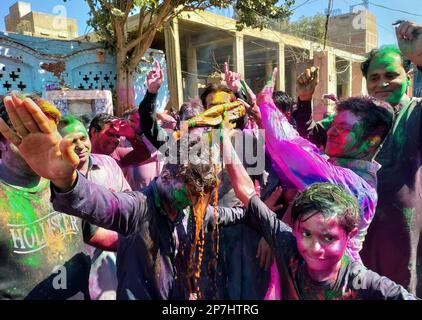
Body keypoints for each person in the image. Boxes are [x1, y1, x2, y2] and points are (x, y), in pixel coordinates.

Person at [0, 94, 245, 300]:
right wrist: (65, 180)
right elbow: (96, 200)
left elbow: (223, 214)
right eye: (191, 192)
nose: (196, 201)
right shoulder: (137, 208)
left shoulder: (189, 211)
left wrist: (254, 207)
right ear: (169, 178)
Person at [294, 20, 422, 296]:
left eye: (391, 75)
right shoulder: (356, 116)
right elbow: (311, 139)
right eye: (374, 77)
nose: (383, 83)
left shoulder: (416, 113)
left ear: (409, 77)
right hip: (351, 235)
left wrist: (420, 56)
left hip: (399, 234)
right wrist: (304, 101)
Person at [221, 140, 418, 299]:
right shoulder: (288, 245)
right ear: (295, 228)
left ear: (350, 235)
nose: (315, 248)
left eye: (328, 238)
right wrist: (222, 135)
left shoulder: (364, 284)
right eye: (306, 234)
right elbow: (246, 192)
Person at [0, 95, 90, 300]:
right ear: (2, 143)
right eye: (30, 134)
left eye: (49, 132)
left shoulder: (65, 179)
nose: (45, 144)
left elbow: (94, 233)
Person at [57, 115, 131, 300]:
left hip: (111, 264)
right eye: (72, 141)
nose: (80, 146)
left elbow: (129, 205)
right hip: (71, 269)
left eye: (83, 138)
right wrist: (132, 244)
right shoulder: (53, 180)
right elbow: (88, 234)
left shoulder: (109, 164)